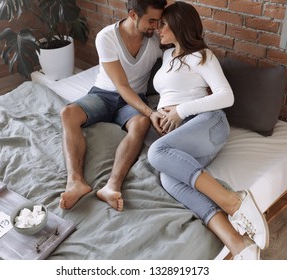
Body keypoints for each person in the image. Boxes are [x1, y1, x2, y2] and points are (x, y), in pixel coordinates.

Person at [147, 1, 269, 260]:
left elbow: (227, 96)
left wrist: (181, 111)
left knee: (156, 153)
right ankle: (239, 245)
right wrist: (158, 112)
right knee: (169, 178)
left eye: (164, 24)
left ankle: (234, 202)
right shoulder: (167, 55)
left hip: (209, 123)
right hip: (184, 135)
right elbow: (169, 93)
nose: (158, 28)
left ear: (179, 25)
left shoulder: (201, 55)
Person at [59, 0, 167, 212]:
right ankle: (75, 181)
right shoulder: (106, 37)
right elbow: (121, 85)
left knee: (142, 123)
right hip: (104, 94)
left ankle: (111, 186)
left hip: (135, 99)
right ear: (133, 15)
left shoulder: (157, 40)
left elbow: (181, 58)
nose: (156, 26)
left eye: (159, 21)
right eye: (151, 20)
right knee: (68, 113)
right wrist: (151, 111)